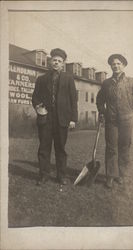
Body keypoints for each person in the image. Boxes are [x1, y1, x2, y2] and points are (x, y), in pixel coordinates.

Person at [96, 54, 133, 188]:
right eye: (113, 64)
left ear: (124, 65)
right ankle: (110, 176)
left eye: (118, 63)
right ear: (110, 66)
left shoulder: (131, 81)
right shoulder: (106, 83)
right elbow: (99, 100)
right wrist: (103, 112)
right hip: (111, 121)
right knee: (111, 148)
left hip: (127, 120)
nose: (116, 66)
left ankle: (121, 175)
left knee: (124, 147)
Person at [32, 48, 78, 185]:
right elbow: (35, 97)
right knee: (44, 148)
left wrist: (73, 119)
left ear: (63, 64)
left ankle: (61, 176)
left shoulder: (69, 78)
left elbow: (73, 99)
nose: (56, 63)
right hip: (45, 119)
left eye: (59, 61)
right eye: (54, 60)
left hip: (62, 119)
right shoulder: (41, 79)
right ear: (50, 61)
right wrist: (39, 108)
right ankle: (43, 175)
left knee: (61, 149)